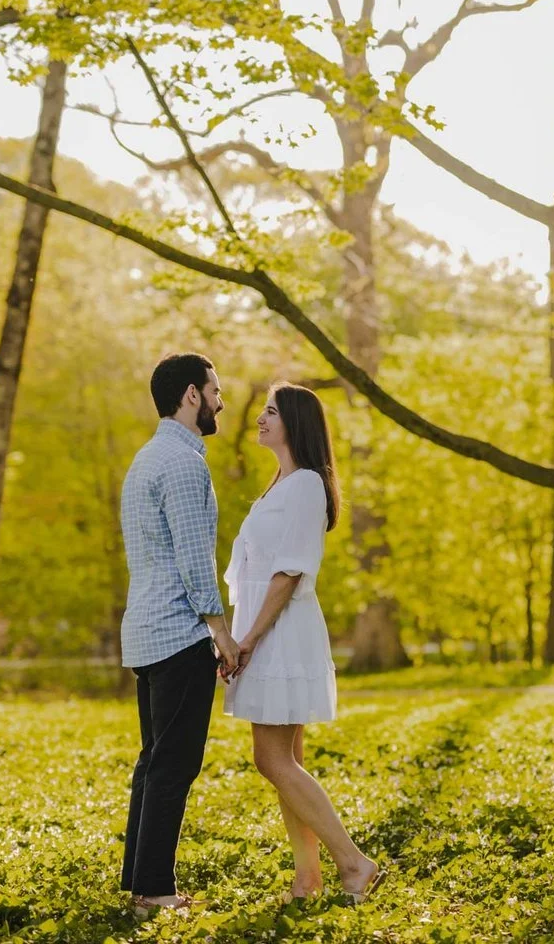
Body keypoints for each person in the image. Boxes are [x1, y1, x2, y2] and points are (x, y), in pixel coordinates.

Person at [223, 382, 384, 904]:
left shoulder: (307, 485)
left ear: (295, 421)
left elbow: (288, 572)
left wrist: (245, 640)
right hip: (265, 631)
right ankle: (307, 877)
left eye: (271, 411)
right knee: (285, 758)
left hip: (280, 634)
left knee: (272, 760)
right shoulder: (281, 485)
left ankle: (354, 862)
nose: (260, 418)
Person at [118, 353, 241, 917]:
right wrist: (223, 634)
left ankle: (140, 881)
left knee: (154, 760)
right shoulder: (185, 466)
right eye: (216, 391)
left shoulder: (146, 459)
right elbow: (195, 563)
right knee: (173, 764)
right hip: (176, 633)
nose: (221, 401)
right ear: (192, 394)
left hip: (145, 631)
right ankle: (155, 893)